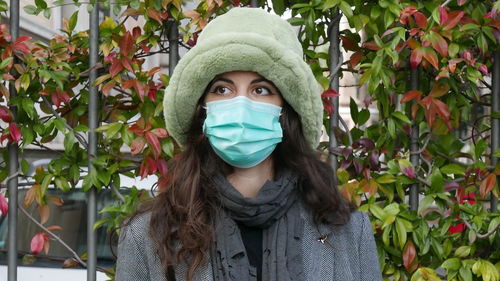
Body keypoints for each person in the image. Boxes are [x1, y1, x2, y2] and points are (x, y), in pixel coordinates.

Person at [116, 7, 382, 281]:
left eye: (261, 89)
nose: (241, 104)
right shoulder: (148, 236)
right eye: (222, 89)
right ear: (202, 110)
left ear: (285, 113)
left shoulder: (346, 230)